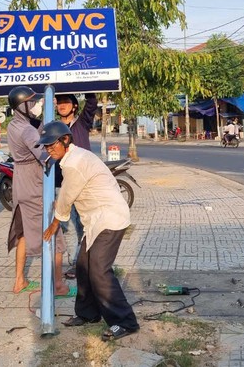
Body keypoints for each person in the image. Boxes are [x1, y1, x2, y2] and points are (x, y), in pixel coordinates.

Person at [40, 121, 139, 341]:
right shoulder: (71, 158)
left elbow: (66, 196)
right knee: (83, 266)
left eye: (52, 144)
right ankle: (88, 314)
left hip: (109, 218)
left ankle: (125, 321)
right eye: (46, 146)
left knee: (99, 271)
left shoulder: (74, 162)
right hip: (95, 220)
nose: (49, 149)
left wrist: (56, 223)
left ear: (65, 140)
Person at [6, 86, 69, 296]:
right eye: (32, 102)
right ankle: (58, 285)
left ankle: (19, 281)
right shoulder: (27, 130)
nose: (35, 106)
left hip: (20, 184)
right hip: (34, 185)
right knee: (55, 232)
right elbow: (45, 156)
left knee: (23, 234)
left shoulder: (14, 125)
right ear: (23, 106)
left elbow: (37, 135)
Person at [55, 93, 98, 279]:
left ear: (74, 106)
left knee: (84, 225)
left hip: (82, 185)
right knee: (65, 226)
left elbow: (92, 103)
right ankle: (68, 264)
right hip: (61, 185)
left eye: (66, 102)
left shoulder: (81, 124)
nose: (62, 105)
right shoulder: (53, 128)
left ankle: (83, 262)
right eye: (59, 102)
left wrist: (84, 83)